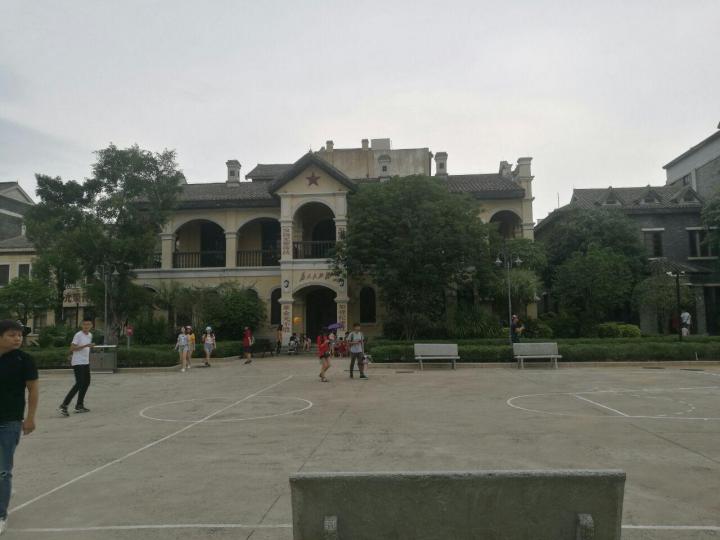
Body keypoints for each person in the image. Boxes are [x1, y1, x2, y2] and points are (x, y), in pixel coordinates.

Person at [0, 320, 39, 535]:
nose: (17, 338)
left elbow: (33, 390)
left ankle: (1, 515)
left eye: (19, 335)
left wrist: (30, 418)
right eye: (11, 335)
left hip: (10, 421)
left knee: (3, 470)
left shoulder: (24, 360)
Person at [59, 317, 94, 415]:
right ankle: (64, 405)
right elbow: (72, 348)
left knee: (86, 383)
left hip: (85, 362)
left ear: (91, 326)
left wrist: (88, 351)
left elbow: (86, 349)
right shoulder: (78, 335)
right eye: (84, 324)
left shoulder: (90, 335)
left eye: (88, 324)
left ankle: (79, 405)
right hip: (78, 362)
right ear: (81, 325)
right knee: (79, 383)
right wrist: (86, 346)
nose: (86, 326)